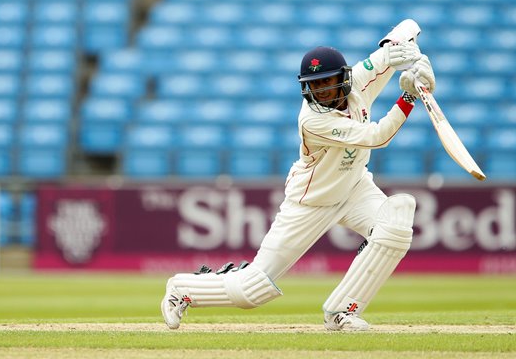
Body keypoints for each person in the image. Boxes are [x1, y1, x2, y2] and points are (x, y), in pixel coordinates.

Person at [161, 19, 436, 331]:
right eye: (314, 85)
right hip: (311, 200)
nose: (321, 91)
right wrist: (409, 97)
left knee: (395, 228)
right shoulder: (311, 121)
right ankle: (182, 289)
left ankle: (342, 312)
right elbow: (376, 137)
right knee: (252, 289)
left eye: (327, 82)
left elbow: (401, 34)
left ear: (344, 79)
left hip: (354, 186)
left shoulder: (359, 79)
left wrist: (410, 55)